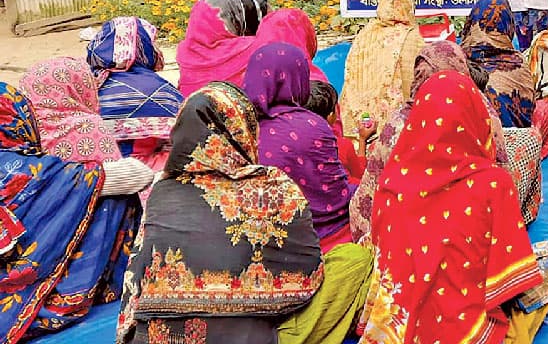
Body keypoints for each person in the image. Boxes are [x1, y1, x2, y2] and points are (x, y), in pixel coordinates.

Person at [116, 82, 373, 344]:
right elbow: (308, 274)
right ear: (245, 129)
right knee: (354, 259)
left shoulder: (161, 190)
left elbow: (136, 280)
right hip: (254, 337)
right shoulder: (272, 184)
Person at [358, 71, 546, 344]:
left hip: (396, 327)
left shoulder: (390, 184)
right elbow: (508, 276)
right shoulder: (494, 184)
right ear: (474, 116)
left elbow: (383, 257)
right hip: (466, 331)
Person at [0, 82, 150, 342]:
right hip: (28, 302)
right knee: (107, 195)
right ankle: (78, 293)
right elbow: (134, 176)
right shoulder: (32, 171)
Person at [349, 42, 509, 243]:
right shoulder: (484, 112)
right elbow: (501, 168)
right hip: (471, 229)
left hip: (408, 235)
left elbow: (376, 188)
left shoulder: (400, 124)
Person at [243, 43, 356, 251]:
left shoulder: (234, 124)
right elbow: (334, 197)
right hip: (317, 235)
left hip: (252, 236)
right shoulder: (312, 125)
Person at [337, 0, 425, 140]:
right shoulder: (411, 37)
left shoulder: (365, 34)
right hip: (394, 132)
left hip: (359, 126)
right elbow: (413, 82)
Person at [87, 16, 183, 161]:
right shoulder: (162, 91)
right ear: (144, 47)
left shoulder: (87, 86)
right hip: (151, 174)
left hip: (99, 172)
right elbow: (183, 141)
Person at [460, 0, 537, 128]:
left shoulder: (455, 61)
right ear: (507, 26)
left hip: (466, 143)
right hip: (511, 143)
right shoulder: (517, 64)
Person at [176, 0, 266, 97]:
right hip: (235, 111)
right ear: (235, 18)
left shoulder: (184, 50)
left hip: (192, 110)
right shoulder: (251, 47)